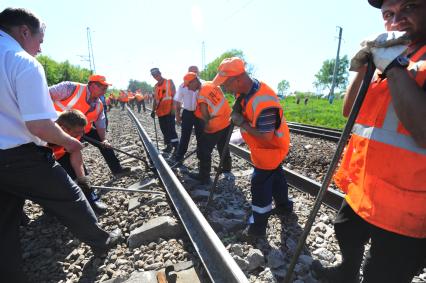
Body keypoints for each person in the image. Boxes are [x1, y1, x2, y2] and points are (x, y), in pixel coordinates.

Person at [0, 8, 121, 282]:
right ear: (24, 32)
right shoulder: (22, 61)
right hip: (20, 155)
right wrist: (71, 143)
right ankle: (101, 240)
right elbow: (39, 125)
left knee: (4, 222)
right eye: (40, 41)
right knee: (70, 196)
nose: (40, 48)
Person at [312, 1, 426, 282]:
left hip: (408, 205)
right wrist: (366, 64)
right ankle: (347, 271)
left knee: (382, 273)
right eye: (388, 14)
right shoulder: (389, 60)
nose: (396, 20)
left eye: (409, 7)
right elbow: (349, 111)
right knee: (345, 231)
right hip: (364, 186)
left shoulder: (406, 63)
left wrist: (395, 66)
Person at [212, 57, 293, 240]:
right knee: (277, 176)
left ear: (238, 80)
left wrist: (242, 123)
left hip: (271, 147)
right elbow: (242, 101)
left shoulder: (264, 102)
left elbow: (266, 137)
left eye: (226, 85)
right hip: (266, 147)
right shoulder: (247, 89)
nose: (225, 89)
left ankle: (258, 227)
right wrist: (237, 108)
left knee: (260, 183)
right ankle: (284, 207)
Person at [50, 75, 132, 178]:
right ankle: (80, 178)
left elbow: (100, 123)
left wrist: (103, 140)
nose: (104, 91)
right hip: (61, 129)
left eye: (106, 88)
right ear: (93, 85)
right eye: (102, 88)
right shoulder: (69, 88)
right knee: (68, 153)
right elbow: (42, 96)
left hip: (83, 130)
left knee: (105, 146)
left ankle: (117, 170)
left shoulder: (99, 104)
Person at [51, 109, 108, 214]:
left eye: (82, 131)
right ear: (64, 129)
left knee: (80, 176)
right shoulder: (42, 131)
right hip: (42, 154)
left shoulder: (73, 130)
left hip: (63, 149)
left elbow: (75, 153)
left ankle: (92, 199)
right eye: (77, 132)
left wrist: (82, 178)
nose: (81, 134)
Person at [183, 72, 232, 184]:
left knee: (203, 148)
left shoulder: (201, 93)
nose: (189, 88)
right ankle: (227, 167)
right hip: (227, 120)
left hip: (217, 123)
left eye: (188, 85)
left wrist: (207, 127)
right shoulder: (210, 83)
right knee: (223, 145)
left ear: (194, 81)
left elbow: (205, 113)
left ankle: (204, 176)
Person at [171, 66, 203, 164]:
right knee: (185, 135)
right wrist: (177, 115)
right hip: (187, 113)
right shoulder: (182, 86)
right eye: (191, 72)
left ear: (198, 73)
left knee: (200, 136)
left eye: (195, 72)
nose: (193, 74)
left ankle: (201, 157)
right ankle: (180, 156)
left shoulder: (203, 84)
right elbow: (177, 101)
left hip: (200, 113)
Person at [150, 67, 179, 153]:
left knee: (171, 130)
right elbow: (155, 100)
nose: (156, 76)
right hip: (160, 112)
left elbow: (175, 96)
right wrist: (153, 110)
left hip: (169, 111)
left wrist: (173, 109)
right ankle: (168, 146)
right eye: (154, 75)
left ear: (160, 73)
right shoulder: (155, 86)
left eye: (157, 74)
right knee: (164, 130)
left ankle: (176, 146)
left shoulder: (169, 82)